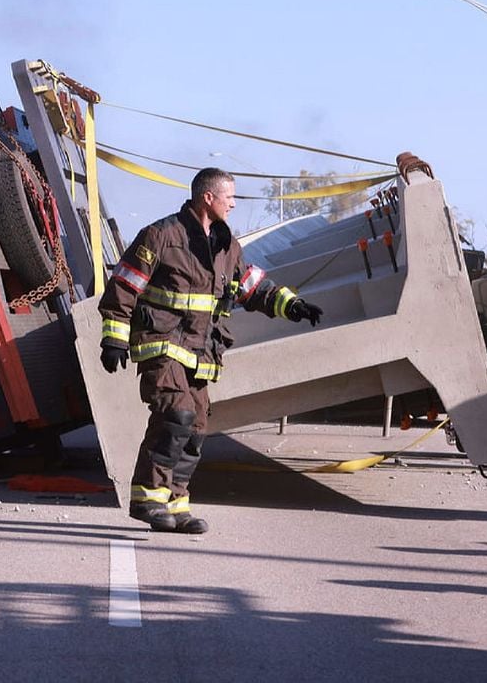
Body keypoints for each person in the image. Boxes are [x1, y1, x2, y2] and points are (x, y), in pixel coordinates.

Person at [98, 168, 323, 534]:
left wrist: (292, 305)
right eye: (229, 197)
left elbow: (251, 287)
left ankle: (176, 504)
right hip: (162, 345)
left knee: (197, 428)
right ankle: (147, 501)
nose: (233, 204)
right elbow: (124, 287)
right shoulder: (160, 236)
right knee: (177, 416)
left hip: (202, 354)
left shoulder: (226, 245)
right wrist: (114, 339)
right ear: (208, 197)